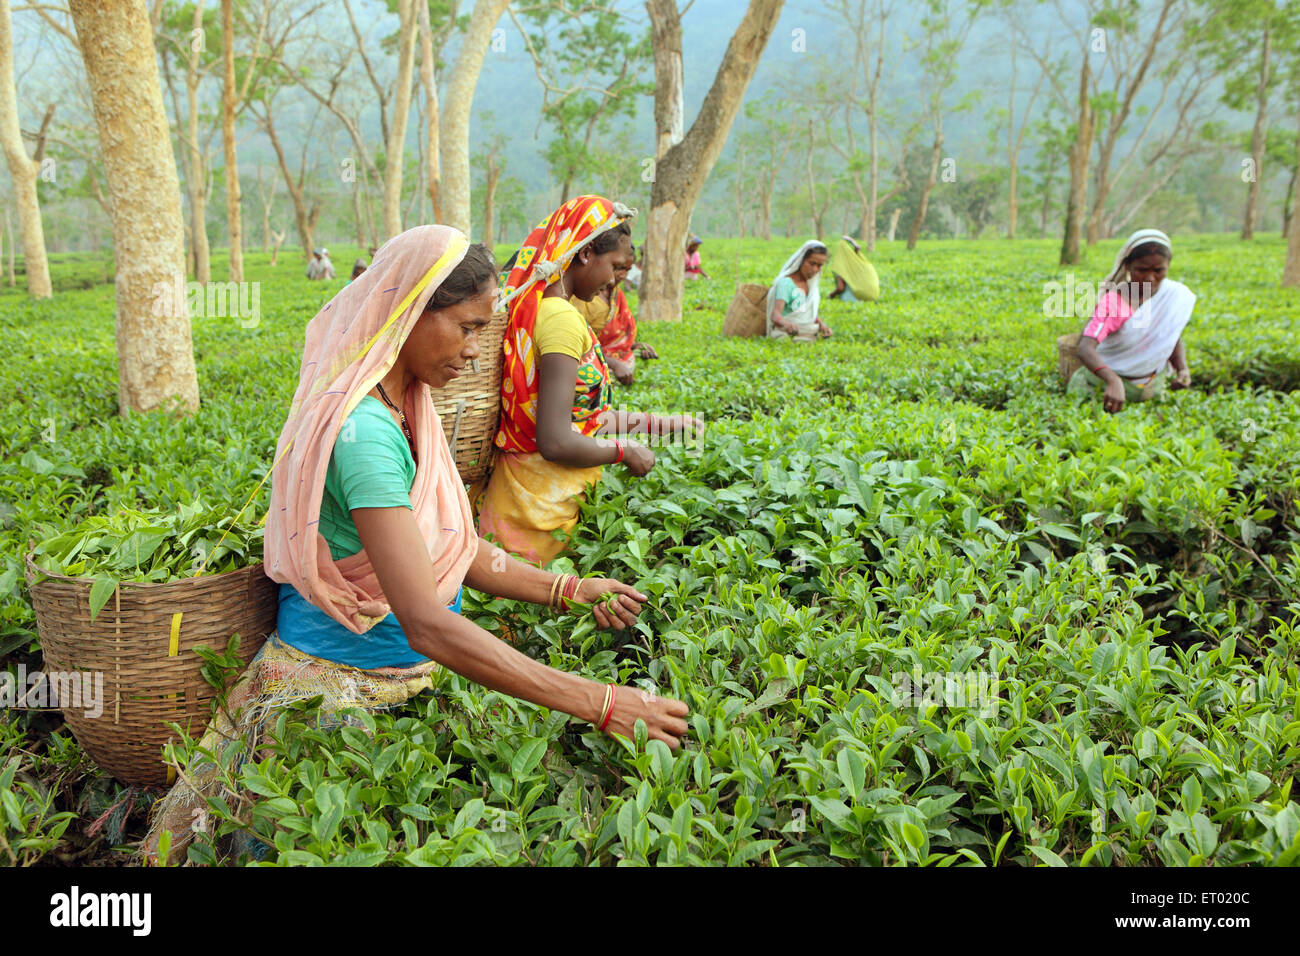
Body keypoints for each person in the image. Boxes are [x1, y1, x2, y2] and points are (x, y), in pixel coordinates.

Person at [141, 225, 689, 862]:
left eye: (486, 330)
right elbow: (425, 621)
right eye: (466, 327)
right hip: (339, 689)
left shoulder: (409, 401)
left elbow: (446, 548)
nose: (476, 351)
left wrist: (566, 588)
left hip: (411, 677)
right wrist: (599, 702)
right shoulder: (366, 432)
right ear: (409, 311)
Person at [476, 196, 700, 566]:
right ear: (585, 254)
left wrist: (661, 425)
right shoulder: (561, 319)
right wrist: (624, 451)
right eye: (612, 265)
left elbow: (580, 416)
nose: (613, 278)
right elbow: (556, 440)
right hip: (539, 516)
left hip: (527, 501)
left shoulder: (540, 311)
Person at [1068, 228, 1195, 413]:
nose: (1150, 278)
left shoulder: (1174, 295)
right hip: (1102, 389)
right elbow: (1085, 347)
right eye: (1142, 270)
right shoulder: (1116, 301)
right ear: (1128, 266)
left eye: (1159, 270)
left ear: (1168, 266)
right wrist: (1112, 380)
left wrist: (1182, 368)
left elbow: (1170, 336)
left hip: (1150, 389)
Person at [570, 243, 658, 386]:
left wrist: (635, 346)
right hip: (589, 360)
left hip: (618, 358)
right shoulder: (582, 299)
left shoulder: (616, 294)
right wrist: (613, 364)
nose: (623, 275)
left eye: (627, 270)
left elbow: (614, 337)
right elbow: (577, 350)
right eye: (618, 268)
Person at [767, 240, 832, 341]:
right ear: (801, 260)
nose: (815, 269)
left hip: (808, 332)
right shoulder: (786, 283)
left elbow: (804, 311)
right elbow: (775, 315)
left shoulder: (811, 286)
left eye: (819, 266)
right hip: (786, 333)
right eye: (812, 263)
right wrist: (787, 325)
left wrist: (821, 325)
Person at [826, 235, 879, 303]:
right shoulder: (861, 263)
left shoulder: (841, 266)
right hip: (871, 299)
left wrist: (831, 295)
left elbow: (840, 288)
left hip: (851, 300)